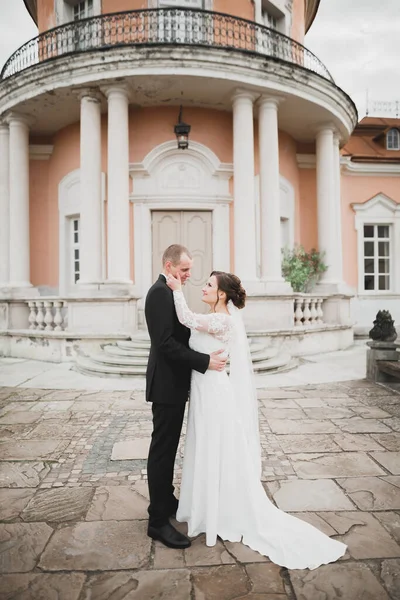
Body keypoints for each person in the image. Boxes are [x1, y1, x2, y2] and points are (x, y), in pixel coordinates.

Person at [165, 269, 348, 570]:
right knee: (205, 446)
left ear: (222, 294)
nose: (204, 287)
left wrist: (175, 289)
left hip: (214, 395)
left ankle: (220, 510)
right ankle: (204, 506)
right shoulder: (215, 316)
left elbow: (187, 319)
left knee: (216, 448)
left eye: (209, 284)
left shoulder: (222, 320)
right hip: (203, 393)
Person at [145, 244, 227, 550]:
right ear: (169, 266)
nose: (189, 275)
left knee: (168, 447)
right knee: (162, 450)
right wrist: (204, 362)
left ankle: (165, 501)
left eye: (190, 269)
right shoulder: (158, 293)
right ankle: (156, 522)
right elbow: (165, 344)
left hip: (175, 385)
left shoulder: (171, 292)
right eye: (184, 270)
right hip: (165, 386)